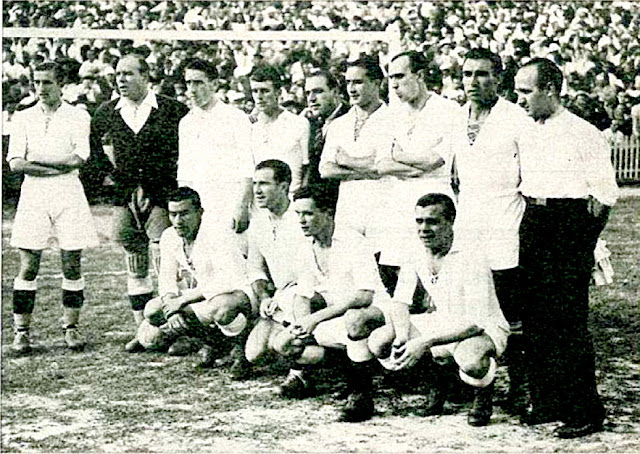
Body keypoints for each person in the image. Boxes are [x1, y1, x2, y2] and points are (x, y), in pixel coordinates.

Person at [514, 58, 618, 438]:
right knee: (536, 319)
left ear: (550, 91)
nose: (519, 98)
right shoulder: (526, 131)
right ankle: (547, 401)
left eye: (526, 91)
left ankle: (585, 410)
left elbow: (605, 195)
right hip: (533, 220)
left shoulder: (584, 133)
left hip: (568, 224)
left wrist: (582, 241)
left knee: (567, 322)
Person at [367, 193, 509, 427]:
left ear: (450, 221)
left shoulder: (471, 255)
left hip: (483, 328)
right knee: (379, 341)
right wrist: (403, 335)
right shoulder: (415, 251)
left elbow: (476, 322)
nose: (424, 228)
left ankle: (482, 393)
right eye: (419, 221)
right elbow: (401, 301)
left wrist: (424, 342)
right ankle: (438, 382)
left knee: (471, 361)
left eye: (432, 221)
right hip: (442, 321)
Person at [90, 53, 189, 352]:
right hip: (125, 197)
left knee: (168, 261)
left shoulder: (173, 110)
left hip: (162, 195)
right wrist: (116, 181)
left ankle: (177, 330)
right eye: (118, 74)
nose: (121, 79)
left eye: (129, 73)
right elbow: (94, 154)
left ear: (147, 76)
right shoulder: (106, 112)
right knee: (135, 261)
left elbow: (187, 150)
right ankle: (143, 329)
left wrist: (164, 185)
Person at [452, 48, 533, 415]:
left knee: (511, 310)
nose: (473, 82)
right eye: (467, 74)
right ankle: (481, 391)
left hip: (506, 222)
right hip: (469, 225)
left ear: (499, 78)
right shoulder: (456, 119)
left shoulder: (516, 118)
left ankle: (520, 385)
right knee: (473, 308)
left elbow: (532, 178)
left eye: (482, 74)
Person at [271, 185, 391, 421]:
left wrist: (315, 319)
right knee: (283, 344)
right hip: (335, 313)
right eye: (298, 214)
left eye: (308, 213)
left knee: (354, 320)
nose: (302, 221)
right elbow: (303, 294)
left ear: (327, 212)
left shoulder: (353, 241)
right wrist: (301, 325)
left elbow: (364, 296)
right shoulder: (305, 247)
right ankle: (345, 369)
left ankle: (361, 395)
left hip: (373, 312)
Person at [7, 61, 99, 353]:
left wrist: (37, 163)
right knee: (28, 265)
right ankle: (21, 332)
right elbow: (15, 163)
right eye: (37, 82)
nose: (41, 88)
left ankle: (70, 328)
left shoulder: (78, 116)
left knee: (71, 264)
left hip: (69, 192)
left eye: (47, 82)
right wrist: (51, 168)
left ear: (61, 84)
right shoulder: (22, 117)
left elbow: (78, 159)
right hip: (33, 194)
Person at [135, 187, 255, 377]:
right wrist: (171, 306)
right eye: (173, 214)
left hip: (240, 293)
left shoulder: (216, 233)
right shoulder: (169, 236)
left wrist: (182, 301)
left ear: (200, 212)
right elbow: (166, 280)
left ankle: (241, 350)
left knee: (221, 308)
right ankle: (215, 342)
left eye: (184, 214)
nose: (178, 221)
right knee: (153, 311)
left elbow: (228, 279)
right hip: (206, 296)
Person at [375, 50, 460, 293]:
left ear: (420, 75)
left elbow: (435, 161)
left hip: (435, 199)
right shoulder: (392, 115)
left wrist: (398, 155)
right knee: (402, 274)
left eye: (400, 76)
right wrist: (415, 164)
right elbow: (381, 165)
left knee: (439, 270)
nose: (394, 84)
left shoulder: (449, 110)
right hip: (400, 201)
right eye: (391, 78)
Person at [243, 159, 312, 394]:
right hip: (280, 297)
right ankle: (312, 355)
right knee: (254, 354)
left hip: (309, 293)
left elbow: (312, 270)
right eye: (255, 184)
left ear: (284, 186)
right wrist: (264, 296)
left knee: (293, 313)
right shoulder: (258, 222)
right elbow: (255, 269)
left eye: (264, 184)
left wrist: (286, 296)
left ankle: (300, 374)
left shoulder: (302, 217)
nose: (257, 190)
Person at [319, 55, 389, 254]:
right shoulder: (339, 124)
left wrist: (346, 161)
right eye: (348, 82)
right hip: (348, 211)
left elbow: (385, 164)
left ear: (376, 83)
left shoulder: (393, 120)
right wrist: (368, 170)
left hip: (383, 209)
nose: (351, 88)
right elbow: (326, 169)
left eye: (358, 82)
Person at [177, 59, 253, 241]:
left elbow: (247, 166)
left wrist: (241, 206)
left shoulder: (236, 118)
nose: (192, 89)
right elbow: (185, 169)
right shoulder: (186, 122)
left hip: (229, 202)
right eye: (189, 83)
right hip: (199, 205)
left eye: (198, 82)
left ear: (214, 84)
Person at [249, 64, 310, 194]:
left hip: (291, 199)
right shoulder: (250, 127)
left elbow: (307, 167)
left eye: (265, 91)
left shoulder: (299, 123)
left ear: (278, 92)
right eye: (255, 91)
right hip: (259, 202)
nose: (259, 97)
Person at [302, 69, 349, 197]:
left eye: (318, 91)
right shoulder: (310, 124)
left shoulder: (351, 119)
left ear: (335, 92)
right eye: (307, 93)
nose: (311, 99)